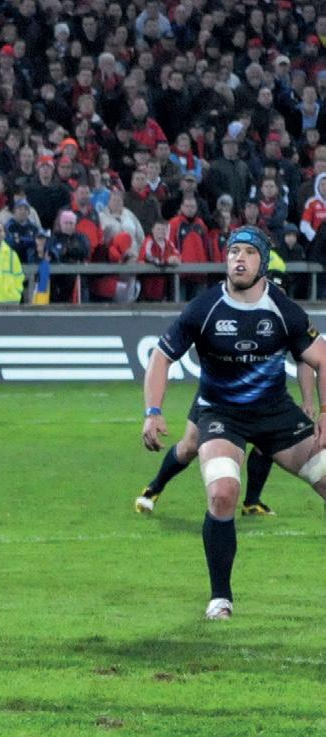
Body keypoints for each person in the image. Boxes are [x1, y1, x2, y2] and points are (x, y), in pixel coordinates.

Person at [139, 226, 326, 619]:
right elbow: (161, 357)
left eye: (249, 253)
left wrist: (323, 411)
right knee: (223, 492)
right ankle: (220, 598)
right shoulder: (204, 307)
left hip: (276, 414)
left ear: (263, 262)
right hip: (221, 414)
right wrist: (153, 412)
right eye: (233, 251)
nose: (239, 259)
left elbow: (321, 359)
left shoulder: (282, 309)